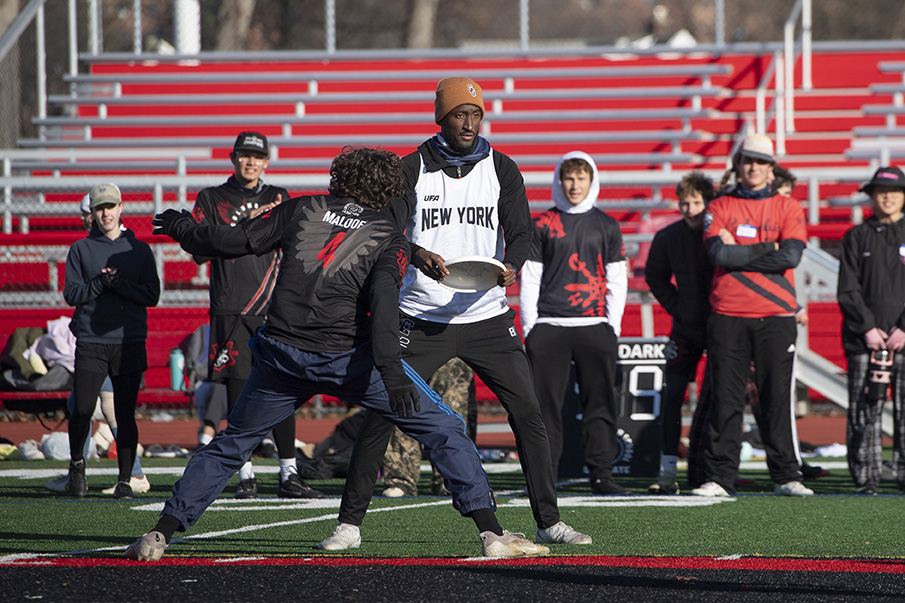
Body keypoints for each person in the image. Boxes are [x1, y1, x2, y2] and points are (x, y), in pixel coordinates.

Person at [126, 147, 549, 561]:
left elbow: (232, 241)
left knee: (232, 444)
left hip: (282, 357)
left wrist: (183, 227)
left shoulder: (301, 209)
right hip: (349, 360)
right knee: (445, 429)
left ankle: (160, 533)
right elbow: (385, 307)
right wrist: (393, 372)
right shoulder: (388, 236)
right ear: (386, 188)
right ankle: (492, 533)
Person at [322, 77, 591, 550]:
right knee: (381, 414)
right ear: (440, 119)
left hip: (487, 315)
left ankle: (549, 520)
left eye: (475, 115)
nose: (468, 124)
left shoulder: (502, 168)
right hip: (421, 318)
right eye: (458, 115)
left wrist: (514, 264)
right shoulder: (411, 168)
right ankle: (349, 523)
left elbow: (523, 233)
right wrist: (418, 252)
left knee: (528, 414)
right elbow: (386, 230)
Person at [191, 131, 318, 500]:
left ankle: (288, 473)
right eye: (244, 155)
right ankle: (244, 474)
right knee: (238, 392)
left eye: (257, 156)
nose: (250, 162)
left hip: (275, 308)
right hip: (230, 307)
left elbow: (297, 246)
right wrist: (240, 230)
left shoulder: (279, 198)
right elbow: (199, 248)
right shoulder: (211, 198)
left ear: (266, 161)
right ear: (233, 158)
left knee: (284, 387)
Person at [690, 134, 812, 498]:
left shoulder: (789, 207)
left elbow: (790, 258)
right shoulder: (721, 205)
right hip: (727, 315)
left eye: (761, 161)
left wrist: (741, 249)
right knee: (725, 399)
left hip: (776, 316)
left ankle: (787, 475)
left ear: (771, 167)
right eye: (747, 160)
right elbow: (718, 256)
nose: (754, 167)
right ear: (738, 164)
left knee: (777, 397)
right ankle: (719, 478)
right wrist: (767, 248)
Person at [519, 151, 628, 495]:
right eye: (569, 178)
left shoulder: (608, 225)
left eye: (581, 178)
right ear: (559, 180)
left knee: (600, 402)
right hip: (549, 327)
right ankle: (544, 478)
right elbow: (530, 278)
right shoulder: (542, 224)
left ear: (592, 181)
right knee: (543, 407)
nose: (575, 185)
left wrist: (613, 326)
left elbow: (617, 279)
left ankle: (602, 475)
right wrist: (530, 327)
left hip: (595, 325)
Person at [44, 194, 151, 495]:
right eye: (96, 210)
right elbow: (74, 293)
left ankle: (129, 477)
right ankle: (80, 469)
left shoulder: (135, 250)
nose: (101, 215)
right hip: (93, 339)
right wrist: (97, 287)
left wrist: (116, 284)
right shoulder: (82, 248)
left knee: (116, 409)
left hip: (123, 340)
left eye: (108, 207)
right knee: (85, 406)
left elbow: (150, 294)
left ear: (119, 209)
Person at [643, 171, 715, 494]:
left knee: (722, 399)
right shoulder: (667, 236)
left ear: (708, 203)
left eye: (697, 203)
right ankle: (668, 470)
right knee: (672, 396)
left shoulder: (720, 234)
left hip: (720, 327)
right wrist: (678, 307)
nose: (690, 209)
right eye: (685, 203)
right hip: (684, 329)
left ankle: (716, 470)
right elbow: (655, 278)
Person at [838, 166, 905, 495]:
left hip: (904, 339)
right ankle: (867, 478)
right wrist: (868, 329)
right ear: (871, 196)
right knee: (864, 408)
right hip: (864, 340)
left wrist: (903, 329)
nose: (888, 197)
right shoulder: (856, 236)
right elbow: (847, 290)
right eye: (880, 191)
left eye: (893, 191)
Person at [380, 358, 477, 497]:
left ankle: (451, 477)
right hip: (405, 344)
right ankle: (400, 479)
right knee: (402, 401)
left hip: (450, 345)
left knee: (451, 405)